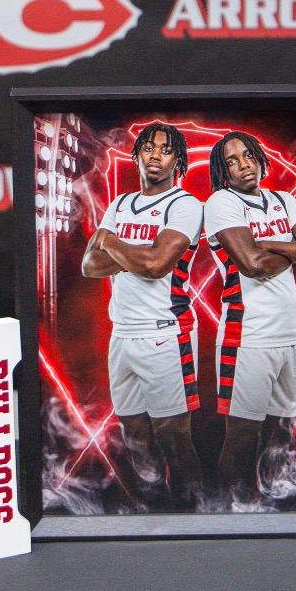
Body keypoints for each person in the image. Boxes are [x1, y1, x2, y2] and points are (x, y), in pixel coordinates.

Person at [81, 122, 205, 507]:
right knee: (133, 433)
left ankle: (195, 515)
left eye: (165, 150)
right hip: (123, 334)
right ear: (136, 155)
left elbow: (156, 265)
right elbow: (89, 264)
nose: (155, 155)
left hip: (166, 333)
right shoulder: (120, 205)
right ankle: (154, 506)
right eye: (148, 148)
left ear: (177, 160)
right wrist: (127, 252)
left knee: (173, 437)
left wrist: (112, 242)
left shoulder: (184, 206)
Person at [204, 131, 296, 504]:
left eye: (249, 156)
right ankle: (234, 508)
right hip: (248, 337)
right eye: (232, 160)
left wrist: (270, 243)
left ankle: (272, 497)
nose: (244, 164)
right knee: (242, 435)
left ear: (259, 158)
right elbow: (251, 265)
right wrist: (292, 248)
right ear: (223, 172)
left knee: (281, 430)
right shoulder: (221, 203)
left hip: (289, 335)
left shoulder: (284, 200)